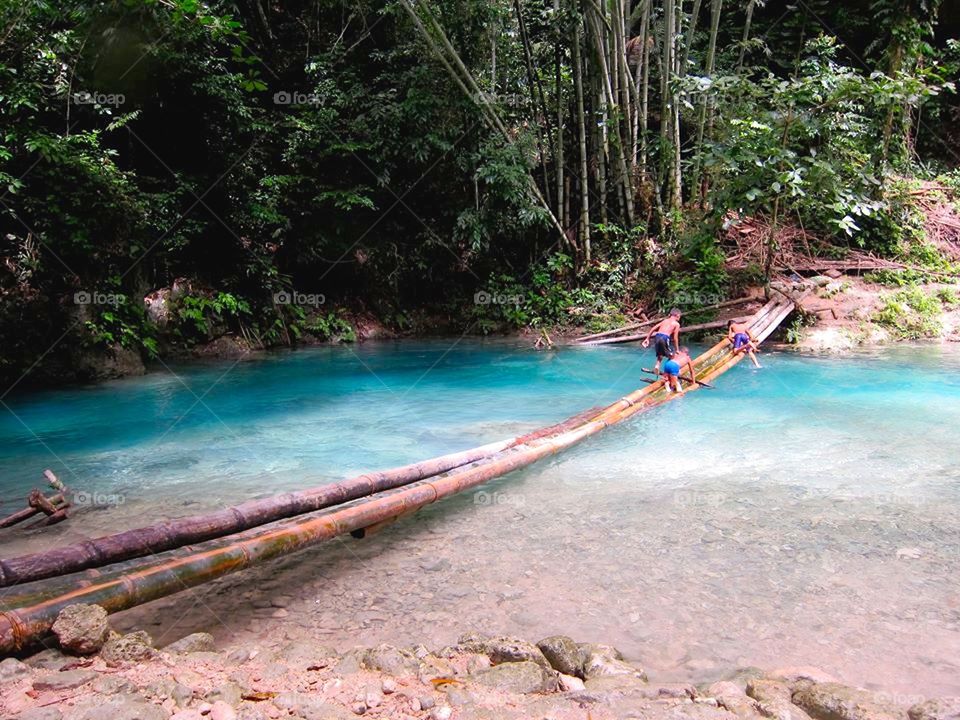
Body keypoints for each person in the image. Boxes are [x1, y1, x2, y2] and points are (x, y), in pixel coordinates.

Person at [642, 309, 682, 374]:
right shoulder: (676, 324)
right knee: (673, 356)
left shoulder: (665, 321)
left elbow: (653, 328)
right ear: (677, 315)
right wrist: (677, 349)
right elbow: (675, 338)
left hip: (657, 336)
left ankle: (657, 366)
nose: (680, 318)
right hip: (665, 337)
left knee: (660, 354)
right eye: (680, 316)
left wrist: (647, 339)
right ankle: (671, 371)